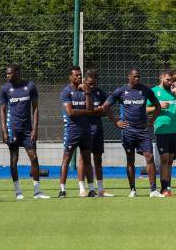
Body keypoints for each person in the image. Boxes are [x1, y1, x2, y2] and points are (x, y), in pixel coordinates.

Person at [105, 68, 162, 197]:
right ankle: (132, 190)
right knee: (130, 160)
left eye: (139, 77)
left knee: (150, 157)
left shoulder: (146, 90)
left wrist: (152, 121)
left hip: (143, 130)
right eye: (135, 76)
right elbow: (105, 106)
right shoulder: (120, 91)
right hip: (128, 130)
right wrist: (116, 121)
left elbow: (158, 106)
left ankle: (153, 190)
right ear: (129, 77)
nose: (137, 78)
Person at [0, 64, 49, 199]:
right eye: (6, 73)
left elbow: (36, 109)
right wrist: (4, 131)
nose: (7, 75)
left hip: (27, 130)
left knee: (34, 157)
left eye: (9, 73)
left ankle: (37, 191)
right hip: (13, 129)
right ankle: (18, 192)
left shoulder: (30, 86)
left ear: (17, 73)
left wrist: (35, 129)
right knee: (14, 159)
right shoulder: (5, 88)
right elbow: (2, 111)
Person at [58, 66, 94, 198]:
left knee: (87, 160)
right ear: (70, 77)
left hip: (86, 130)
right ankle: (62, 189)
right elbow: (70, 112)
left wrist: (88, 93)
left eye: (80, 75)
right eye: (76, 75)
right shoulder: (66, 92)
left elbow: (91, 108)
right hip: (72, 131)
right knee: (66, 159)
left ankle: (91, 190)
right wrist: (86, 112)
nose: (79, 77)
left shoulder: (85, 90)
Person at [84, 69, 114, 197]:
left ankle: (100, 189)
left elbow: (105, 111)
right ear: (85, 81)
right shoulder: (81, 92)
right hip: (84, 129)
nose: (92, 86)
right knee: (83, 159)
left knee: (98, 159)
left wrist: (94, 111)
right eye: (90, 83)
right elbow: (84, 111)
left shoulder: (100, 93)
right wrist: (96, 110)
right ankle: (83, 188)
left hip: (97, 129)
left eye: (94, 83)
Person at [150, 69, 176, 197]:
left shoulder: (174, 91)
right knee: (164, 158)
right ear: (161, 78)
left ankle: (168, 186)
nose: (170, 82)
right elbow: (145, 109)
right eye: (168, 79)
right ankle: (163, 188)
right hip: (161, 129)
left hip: (175, 130)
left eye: (171, 80)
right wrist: (159, 106)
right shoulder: (154, 91)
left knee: (171, 160)